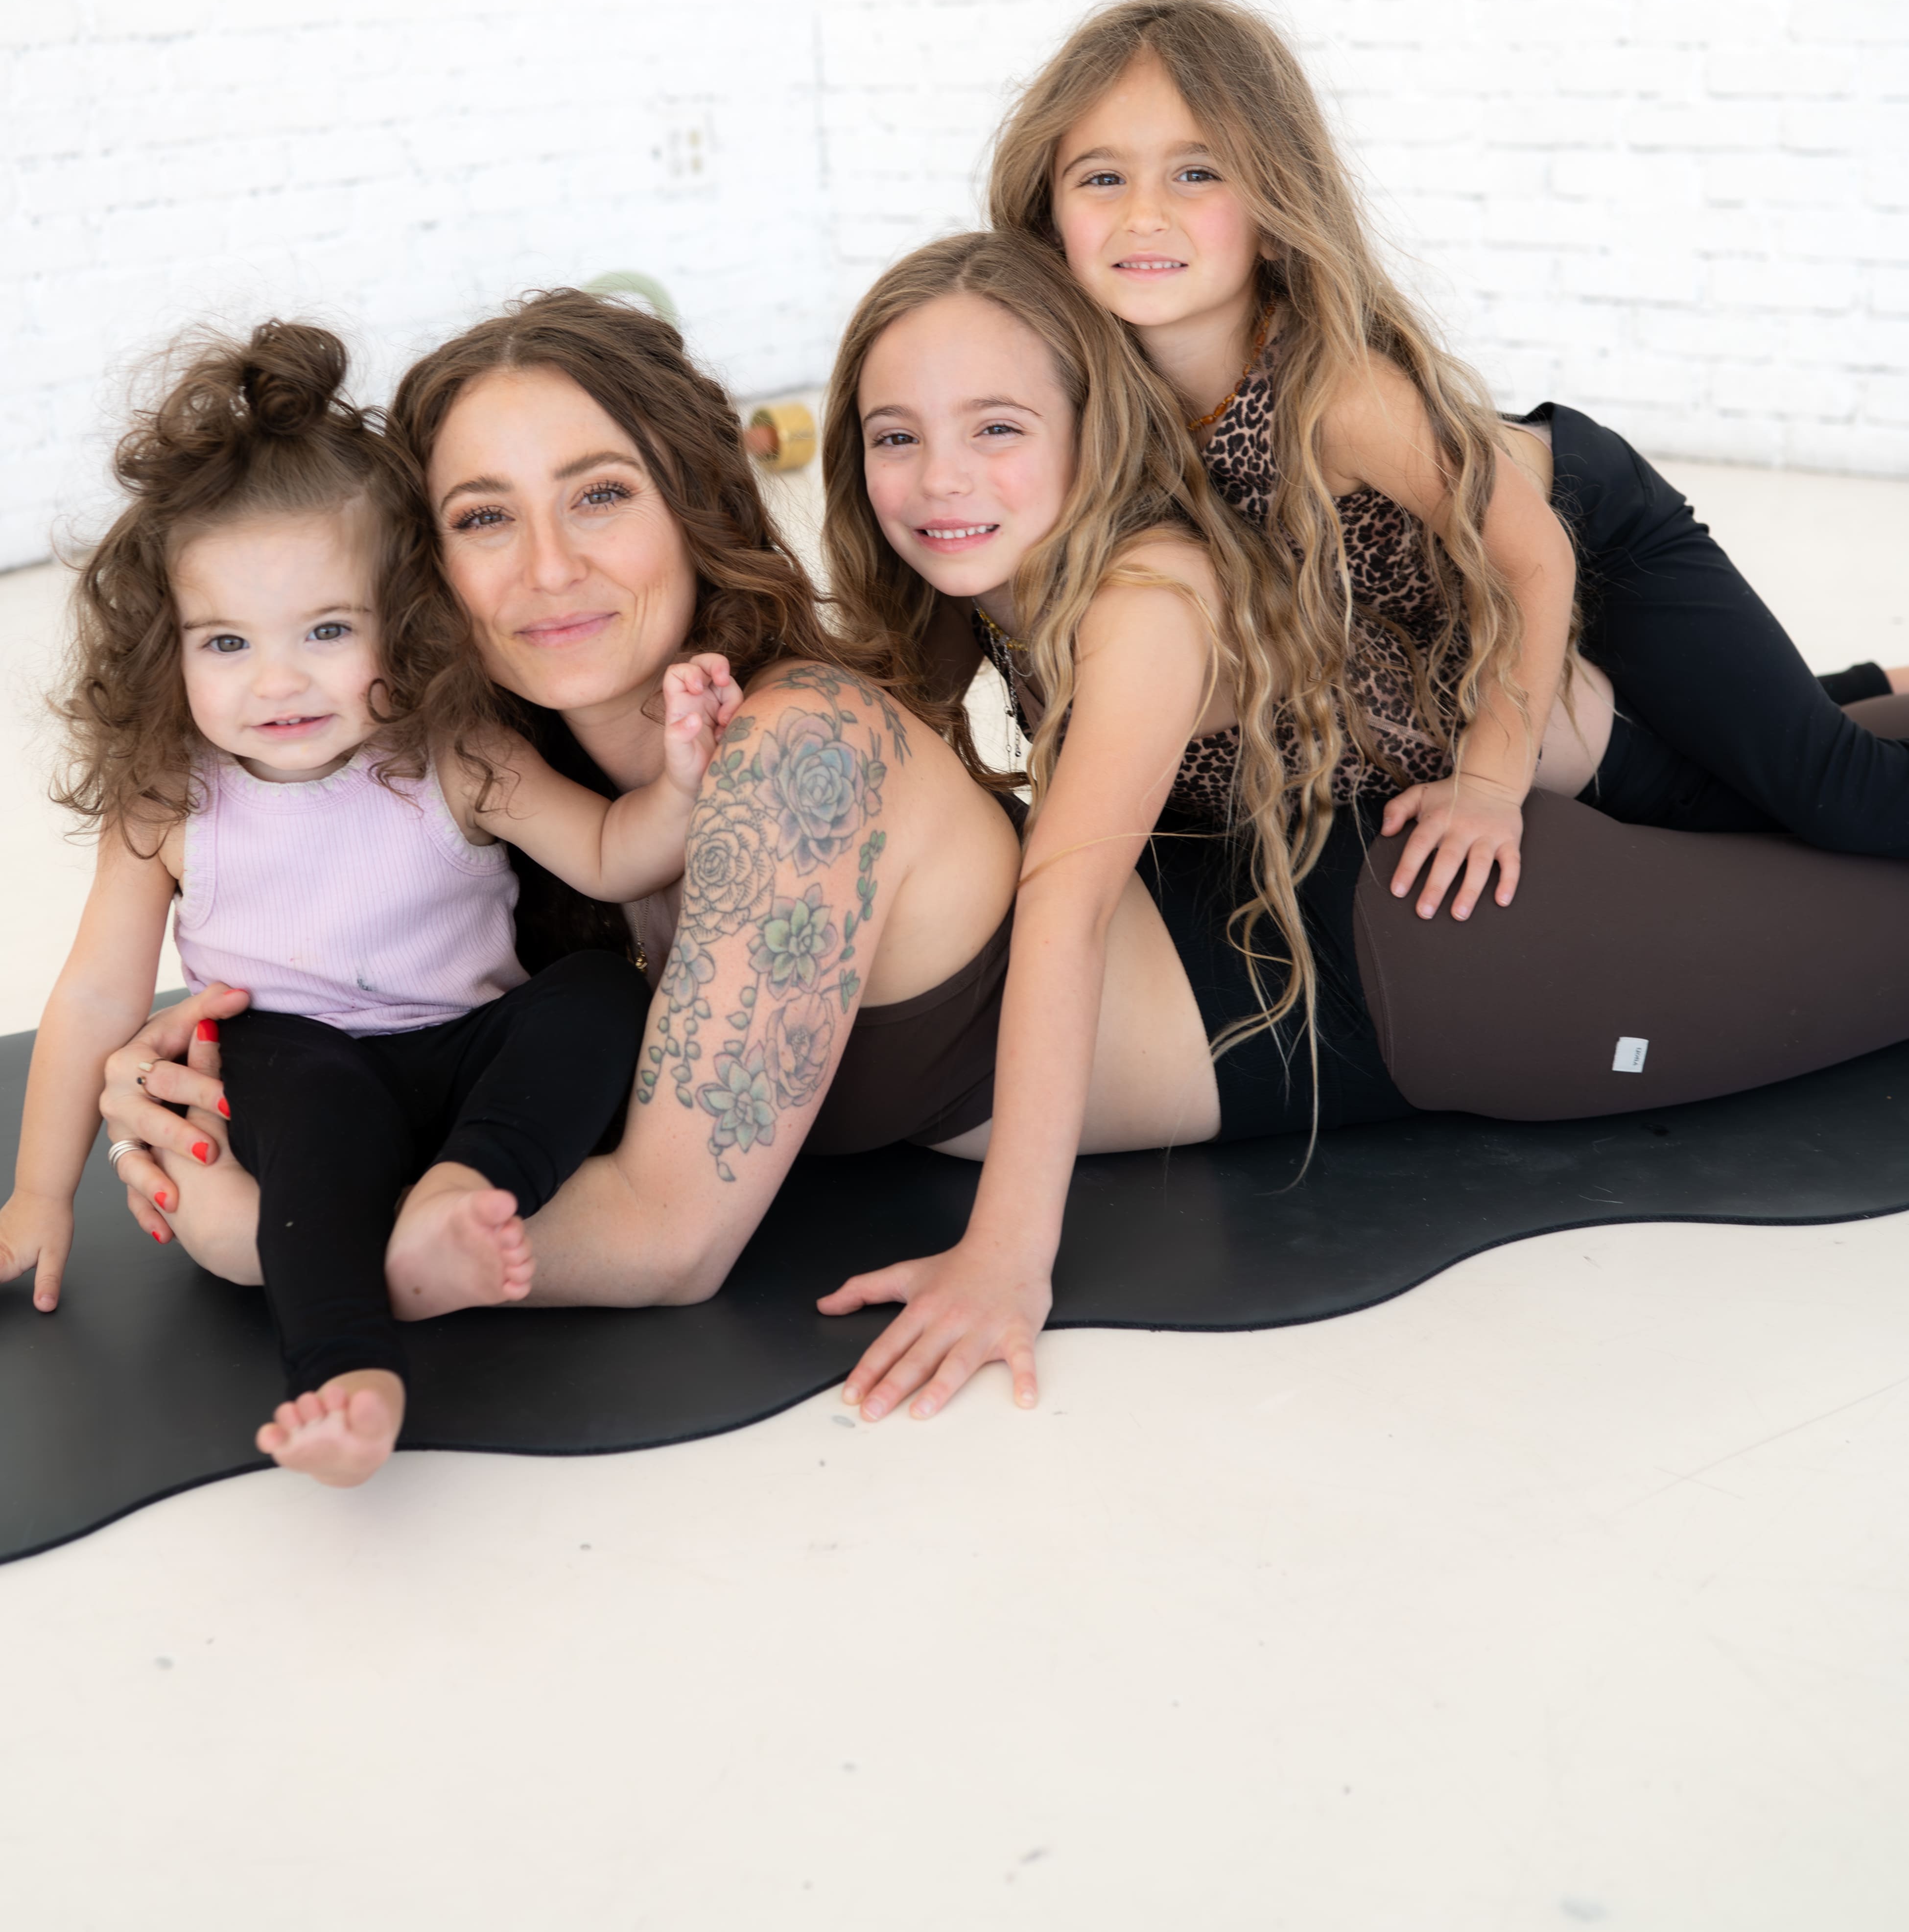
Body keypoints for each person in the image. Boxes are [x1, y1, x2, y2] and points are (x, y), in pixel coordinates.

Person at [94, 280, 1909, 1427]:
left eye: (600, 496)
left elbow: (662, 1237)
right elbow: (439, 1034)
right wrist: (200, 1069)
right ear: (431, 567)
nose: (548, 570)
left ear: (688, 501)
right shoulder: (506, 782)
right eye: (485, 517)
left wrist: (279, 1237)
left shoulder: (797, 757)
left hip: (1448, 969)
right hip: (1324, 890)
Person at [0, 322, 739, 1488]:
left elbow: (609, 855)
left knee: (597, 996)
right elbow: (96, 990)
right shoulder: (168, 795)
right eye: (228, 641)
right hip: (297, 1071)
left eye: (328, 632)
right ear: (169, 648)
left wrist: (685, 780)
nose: (277, 680)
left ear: (408, 618)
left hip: (464, 1058)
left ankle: (465, 1187)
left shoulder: (456, 752)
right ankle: (349, 1373)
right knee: (297, 1085)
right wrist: (41, 1190)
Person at [988, 0, 1909, 920]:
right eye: (1102, 179)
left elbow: (1534, 557)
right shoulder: (1088, 387)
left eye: (1197, 174)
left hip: (1591, 530)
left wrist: (1489, 788)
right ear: (1049, 211)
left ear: (1272, 210)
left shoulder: (1338, 394)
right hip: (1474, 589)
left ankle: (1821, 724)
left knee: (1832, 794)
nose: (1144, 214)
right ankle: (1876, 688)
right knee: (1725, 723)